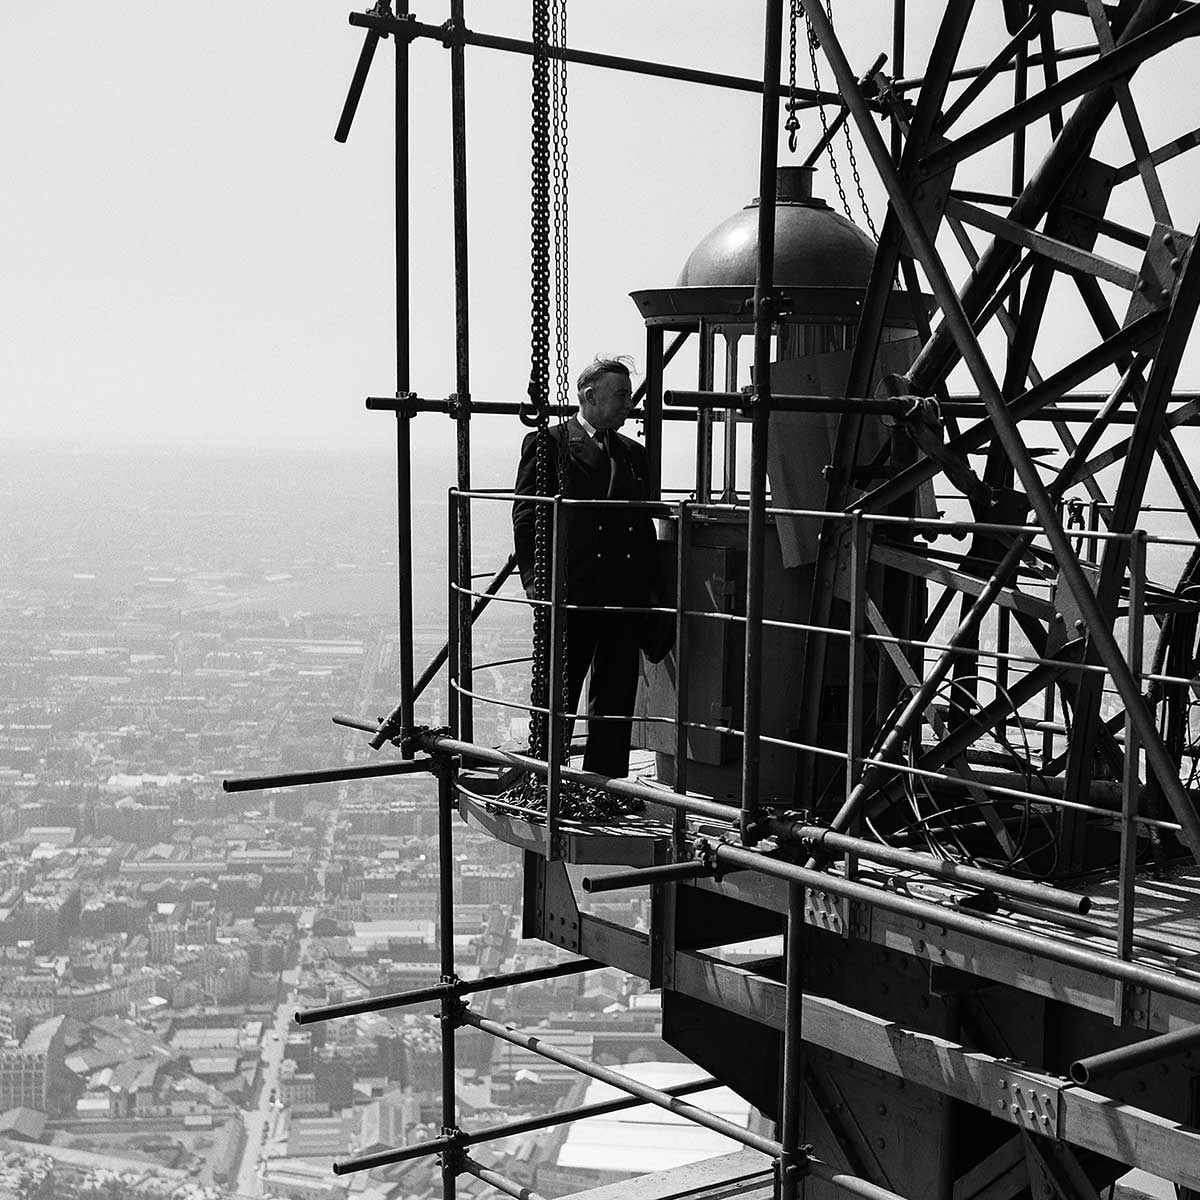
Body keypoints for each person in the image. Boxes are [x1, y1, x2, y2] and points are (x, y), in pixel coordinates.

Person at [512, 357, 662, 778]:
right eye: (620, 395)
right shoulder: (550, 444)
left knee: (615, 696)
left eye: (629, 395)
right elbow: (528, 517)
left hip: (622, 595)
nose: (628, 404)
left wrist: (652, 594)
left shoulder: (634, 454)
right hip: (572, 592)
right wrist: (536, 583)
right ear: (588, 395)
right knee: (558, 689)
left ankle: (606, 783)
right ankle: (544, 777)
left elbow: (642, 527)